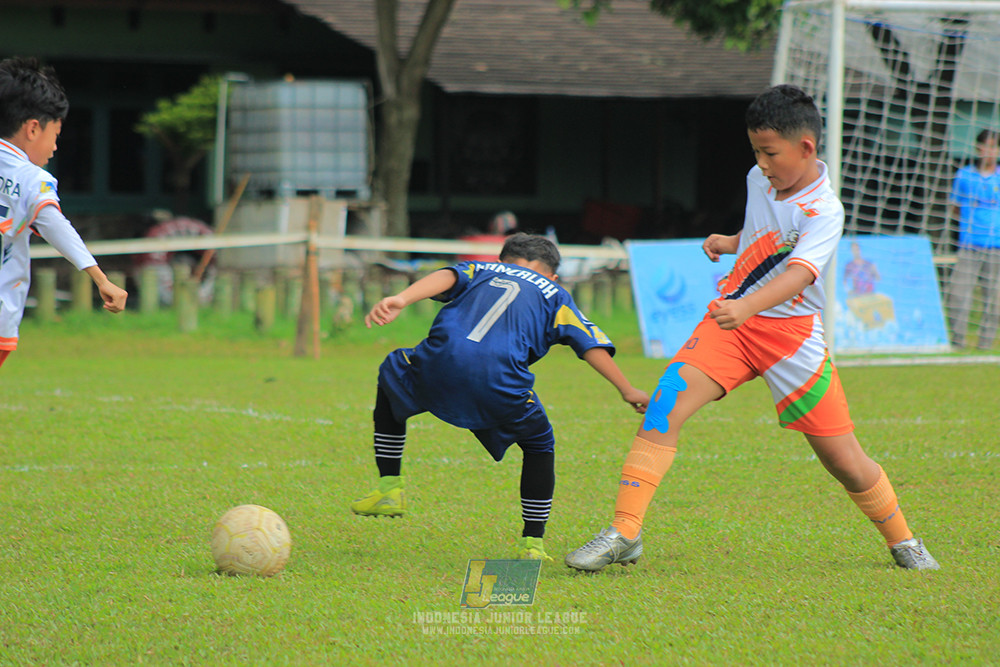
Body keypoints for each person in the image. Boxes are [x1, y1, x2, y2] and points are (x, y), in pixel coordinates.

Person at [564, 84, 939, 572]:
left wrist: (748, 308)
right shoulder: (759, 179)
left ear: (805, 148)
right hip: (732, 325)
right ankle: (625, 532)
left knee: (843, 458)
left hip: (792, 339)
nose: (762, 164)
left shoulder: (825, 211)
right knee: (664, 403)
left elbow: (800, 272)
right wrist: (732, 240)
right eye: (756, 152)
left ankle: (903, 540)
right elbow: (767, 232)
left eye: (769, 153)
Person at [351, 233, 650, 560]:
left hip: (436, 364)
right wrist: (627, 389)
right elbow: (588, 344)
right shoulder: (556, 293)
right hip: (499, 383)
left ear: (502, 261)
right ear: (552, 274)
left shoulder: (483, 270)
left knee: (393, 372)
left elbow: (449, 274)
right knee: (538, 445)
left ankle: (389, 487)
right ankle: (532, 545)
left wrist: (402, 298)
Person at [0, 56, 127, 369]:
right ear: (33, 128)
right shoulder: (31, 178)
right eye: (55, 136)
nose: (55, 147)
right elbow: (55, 224)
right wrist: (100, 278)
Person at [946, 129, 1000, 351]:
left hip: (997, 247)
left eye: (994, 147)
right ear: (978, 148)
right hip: (969, 245)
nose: (989, 152)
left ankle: (984, 347)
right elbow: (955, 208)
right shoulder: (964, 176)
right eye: (986, 146)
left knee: (994, 302)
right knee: (958, 295)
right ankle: (958, 344)